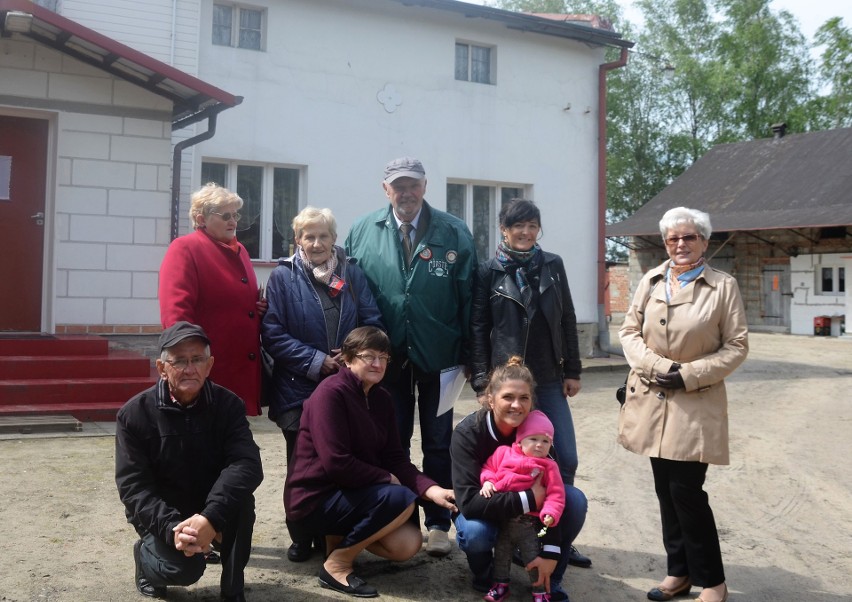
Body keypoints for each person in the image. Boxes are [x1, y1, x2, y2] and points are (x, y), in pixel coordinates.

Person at [344, 156, 476, 556]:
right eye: (398, 186)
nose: (406, 192)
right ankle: (402, 519)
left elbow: (470, 298)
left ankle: (438, 523)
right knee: (393, 442)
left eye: (413, 184)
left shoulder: (453, 231)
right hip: (386, 363)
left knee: (438, 443)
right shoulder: (363, 231)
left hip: (442, 358)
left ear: (425, 186)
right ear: (386, 190)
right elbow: (346, 291)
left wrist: (473, 355)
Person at [618, 207, 748, 602]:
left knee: (687, 491)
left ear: (704, 242)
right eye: (673, 238)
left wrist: (688, 374)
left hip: (695, 401)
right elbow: (628, 331)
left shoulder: (723, 287)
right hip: (652, 398)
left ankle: (713, 581)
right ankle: (679, 573)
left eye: (688, 237)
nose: (679, 244)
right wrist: (659, 367)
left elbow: (737, 346)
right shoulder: (652, 280)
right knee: (664, 489)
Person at [283, 326, 457, 598]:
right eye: (369, 356)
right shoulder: (330, 394)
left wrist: (434, 490)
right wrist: (386, 478)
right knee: (400, 498)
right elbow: (337, 463)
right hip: (314, 499)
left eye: (383, 357)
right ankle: (337, 564)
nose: (377, 363)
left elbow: (395, 458)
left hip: (351, 492)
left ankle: (338, 538)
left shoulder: (381, 398)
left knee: (407, 544)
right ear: (349, 359)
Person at [470, 198, 591, 569]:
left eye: (532, 226)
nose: (525, 232)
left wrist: (573, 368)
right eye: (517, 226)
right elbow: (478, 326)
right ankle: (505, 538)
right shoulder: (488, 270)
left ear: (539, 229)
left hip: (550, 378)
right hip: (507, 381)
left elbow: (568, 317)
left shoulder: (552, 265)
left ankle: (556, 534)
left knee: (564, 457)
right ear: (504, 229)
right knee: (508, 464)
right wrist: (480, 379)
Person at [261, 206, 384, 562]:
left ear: (334, 239)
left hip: (347, 387)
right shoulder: (283, 277)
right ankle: (301, 534)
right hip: (298, 389)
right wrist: (317, 362)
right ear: (297, 239)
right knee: (302, 468)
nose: (316, 243)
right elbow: (272, 333)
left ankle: (335, 535)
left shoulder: (353, 274)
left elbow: (373, 321)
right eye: (308, 236)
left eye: (323, 236)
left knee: (341, 462)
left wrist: (352, 357)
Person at [115, 322, 264, 602]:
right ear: (161, 368)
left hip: (209, 503)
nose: (189, 368)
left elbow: (247, 464)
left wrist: (210, 517)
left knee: (242, 503)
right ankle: (145, 560)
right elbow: (134, 487)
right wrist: (174, 531)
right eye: (179, 361)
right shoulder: (134, 415)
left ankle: (233, 590)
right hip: (163, 513)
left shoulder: (228, 405)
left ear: (209, 365)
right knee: (184, 570)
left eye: (197, 360)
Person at [451, 357, 588, 602]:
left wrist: (551, 551)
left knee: (574, 500)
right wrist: (528, 499)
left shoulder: (537, 429)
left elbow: (553, 492)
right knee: (475, 532)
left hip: (527, 517)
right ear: (490, 399)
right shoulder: (468, 433)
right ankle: (486, 574)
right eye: (507, 397)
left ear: (532, 401)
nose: (516, 405)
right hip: (486, 509)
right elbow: (469, 503)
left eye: (524, 398)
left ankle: (549, 579)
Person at [159, 182, 267, 416]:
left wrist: (257, 308)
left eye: (235, 214)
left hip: (240, 367)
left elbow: (234, 302)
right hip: (207, 369)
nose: (233, 221)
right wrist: (190, 363)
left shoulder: (240, 250)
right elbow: (176, 314)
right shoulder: (185, 248)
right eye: (225, 215)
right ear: (201, 219)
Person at [480, 409, 566, 602]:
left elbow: (556, 494)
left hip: (529, 524)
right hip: (504, 518)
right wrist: (488, 481)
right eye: (533, 439)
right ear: (520, 440)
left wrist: (551, 511)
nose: (539, 445)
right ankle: (500, 585)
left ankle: (540, 592)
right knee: (501, 555)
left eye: (545, 441)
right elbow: (488, 468)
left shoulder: (549, 466)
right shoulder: (503, 454)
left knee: (532, 558)